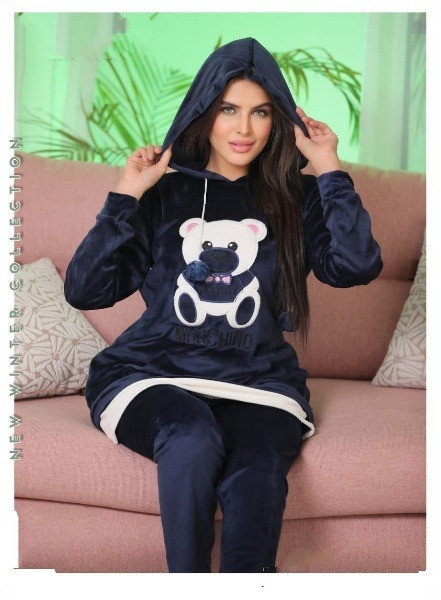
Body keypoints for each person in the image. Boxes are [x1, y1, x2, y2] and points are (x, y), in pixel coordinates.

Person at [64, 37, 383, 573]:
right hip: (151, 373)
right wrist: (126, 194)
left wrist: (329, 168)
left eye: (261, 112)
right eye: (229, 109)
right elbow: (85, 290)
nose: (244, 128)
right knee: (190, 436)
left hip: (258, 382)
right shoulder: (163, 195)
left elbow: (356, 265)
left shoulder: (298, 198)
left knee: (256, 472)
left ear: (278, 120)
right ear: (204, 113)